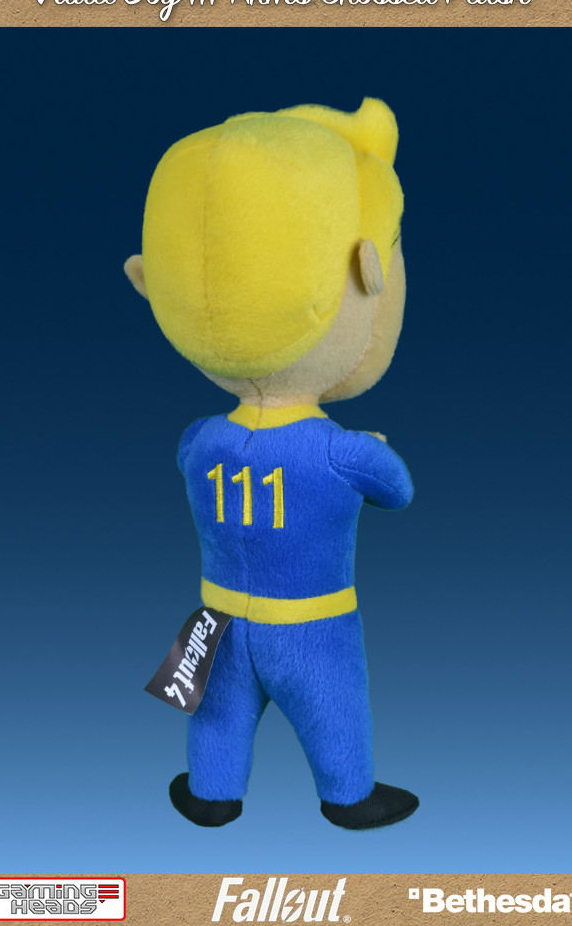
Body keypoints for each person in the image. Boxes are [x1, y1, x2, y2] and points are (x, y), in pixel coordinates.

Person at [125, 98, 419, 829]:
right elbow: (397, 490)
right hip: (312, 622)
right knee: (335, 704)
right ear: (366, 270)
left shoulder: (198, 440)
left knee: (218, 712)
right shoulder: (340, 451)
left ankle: (211, 795)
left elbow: (190, 463)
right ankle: (350, 798)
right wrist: (375, 452)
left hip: (220, 618)